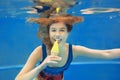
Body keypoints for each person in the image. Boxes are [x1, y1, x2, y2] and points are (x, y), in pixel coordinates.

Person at [15, 14, 120, 80]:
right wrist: (42, 65)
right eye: (53, 30)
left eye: (62, 30)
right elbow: (19, 78)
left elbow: (106, 53)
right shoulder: (40, 51)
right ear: (49, 33)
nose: (57, 34)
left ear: (67, 33)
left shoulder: (73, 50)